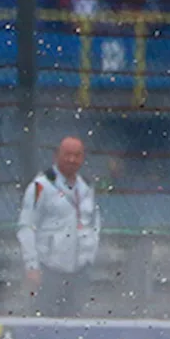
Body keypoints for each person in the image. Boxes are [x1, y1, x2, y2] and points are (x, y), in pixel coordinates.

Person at [17, 136, 101, 318]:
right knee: (43, 320)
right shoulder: (41, 186)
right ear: (56, 156)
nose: (72, 160)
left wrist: (89, 256)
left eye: (77, 155)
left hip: (79, 270)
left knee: (74, 323)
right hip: (48, 269)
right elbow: (26, 226)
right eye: (67, 155)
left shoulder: (86, 186)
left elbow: (94, 223)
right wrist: (32, 265)